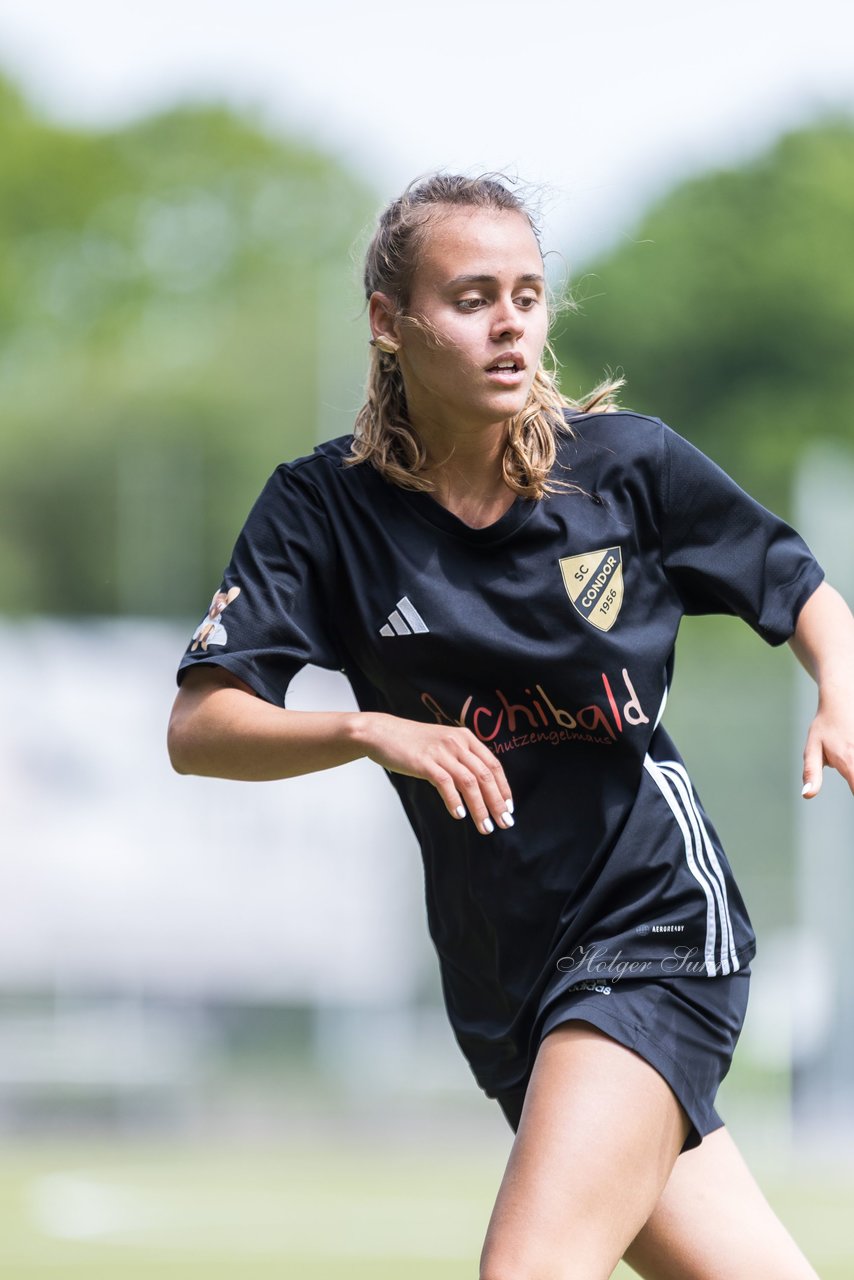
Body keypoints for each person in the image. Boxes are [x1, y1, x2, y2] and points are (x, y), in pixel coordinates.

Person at [168, 173, 854, 1279]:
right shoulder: (321, 509)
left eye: (527, 297)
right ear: (389, 322)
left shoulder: (624, 465)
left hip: (652, 927)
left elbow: (806, 593)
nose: (509, 324)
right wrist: (370, 730)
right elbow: (202, 725)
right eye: (471, 297)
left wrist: (839, 689)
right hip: (503, 977)